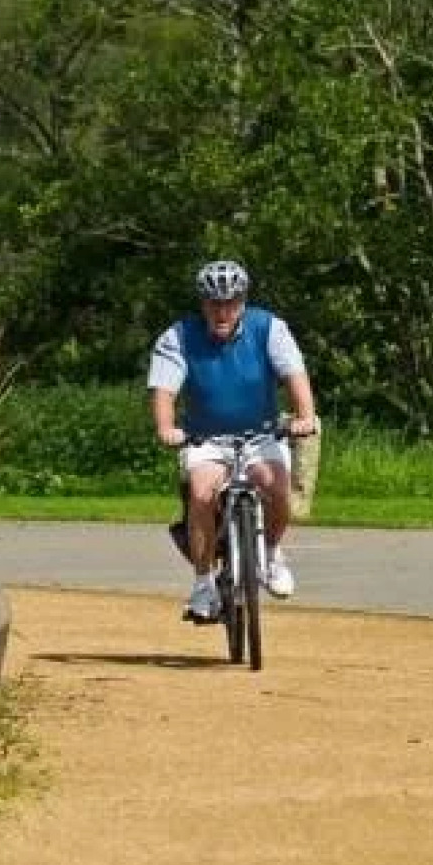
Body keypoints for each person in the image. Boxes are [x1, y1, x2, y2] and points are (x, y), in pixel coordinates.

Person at [147, 260, 319, 622]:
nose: (222, 311)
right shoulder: (178, 336)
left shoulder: (269, 329)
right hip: (205, 438)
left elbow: (295, 374)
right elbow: (164, 389)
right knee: (200, 493)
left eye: (230, 302)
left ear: (242, 302)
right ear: (203, 304)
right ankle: (204, 583)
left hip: (261, 433)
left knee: (276, 486)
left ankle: (271, 555)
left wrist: (304, 417)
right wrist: (166, 427)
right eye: (214, 303)